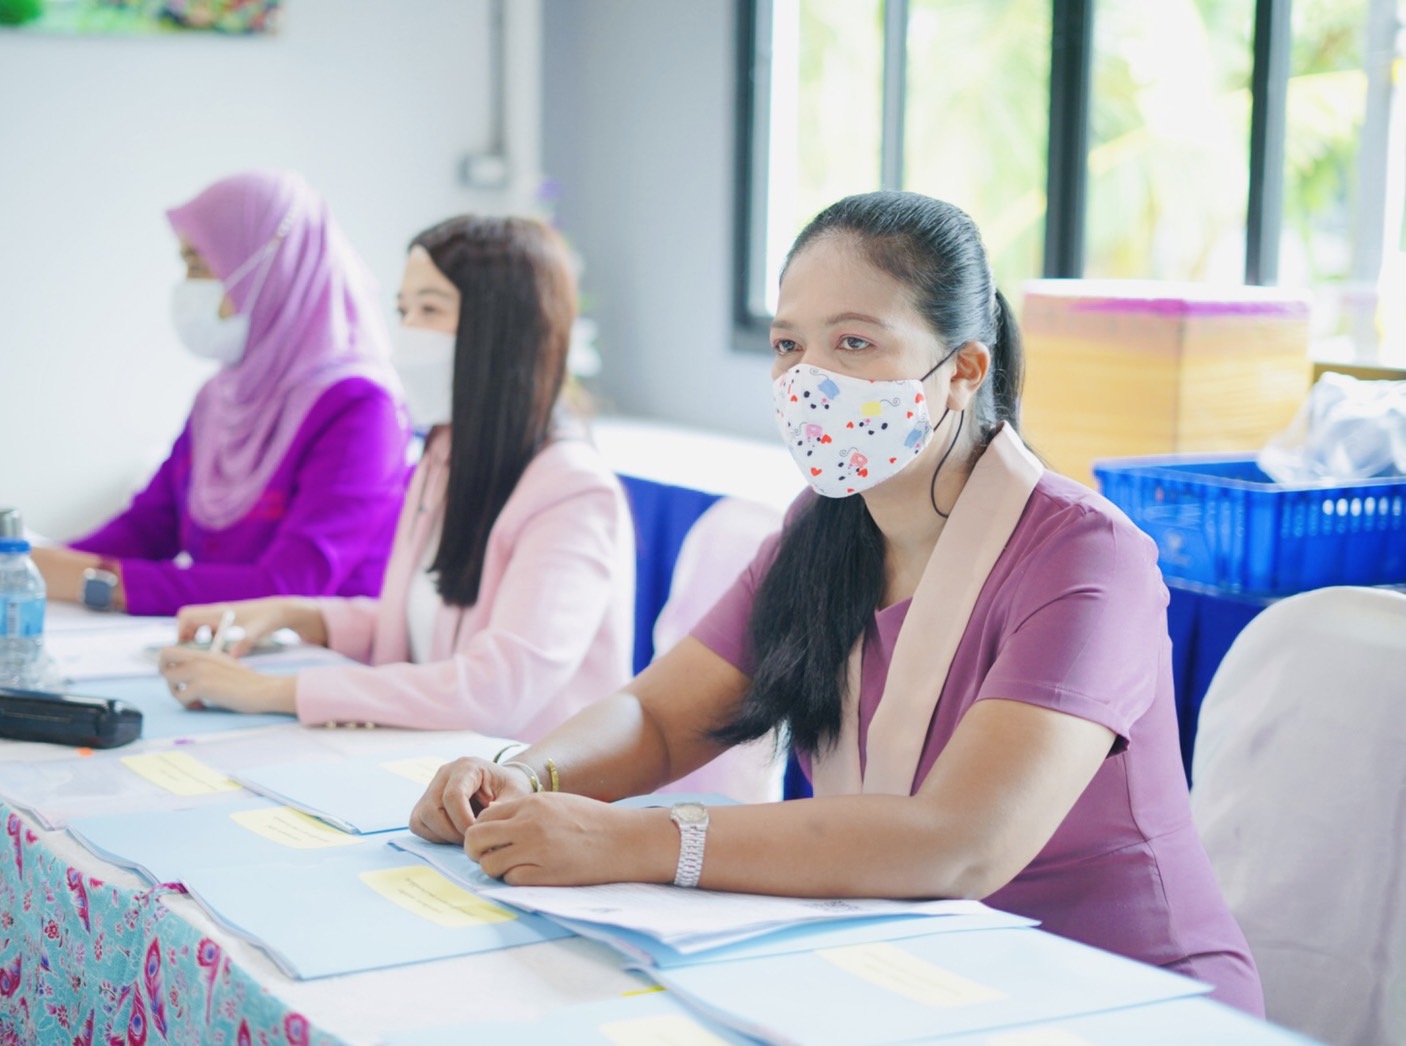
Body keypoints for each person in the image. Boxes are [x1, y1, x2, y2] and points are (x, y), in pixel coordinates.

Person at [407, 191, 1265, 1015]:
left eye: (854, 343)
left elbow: (960, 843)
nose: (808, 378)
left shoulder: (1087, 558)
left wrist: (640, 840)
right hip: (904, 970)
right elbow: (661, 719)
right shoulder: (820, 531)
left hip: (1121, 995)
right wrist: (526, 775)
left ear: (964, 370)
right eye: (789, 345)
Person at [157, 215, 635, 742]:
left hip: (530, 779)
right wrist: (290, 614)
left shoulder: (573, 493)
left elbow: (495, 692)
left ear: (503, 329)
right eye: (403, 311)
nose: (407, 332)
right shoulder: (444, 455)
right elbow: (416, 629)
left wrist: (273, 692)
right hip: (432, 762)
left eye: (430, 310)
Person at [30, 170, 411, 617]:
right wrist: (30, 566)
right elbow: (151, 526)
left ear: (271, 269)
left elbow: (287, 587)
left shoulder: (361, 408)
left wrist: (97, 582)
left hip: (319, 655)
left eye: (200, 265)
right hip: (223, 645)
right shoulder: (221, 398)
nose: (189, 286)